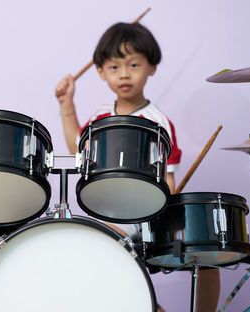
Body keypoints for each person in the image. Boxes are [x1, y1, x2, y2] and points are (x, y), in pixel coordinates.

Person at [55, 22, 220, 311]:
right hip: (106, 210)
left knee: (207, 259)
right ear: (100, 71)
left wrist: (153, 210)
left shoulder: (158, 122)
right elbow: (78, 151)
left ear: (152, 67)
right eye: (115, 67)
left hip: (144, 215)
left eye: (134, 64)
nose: (125, 74)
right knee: (85, 241)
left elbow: (168, 181)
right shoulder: (100, 116)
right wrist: (67, 105)